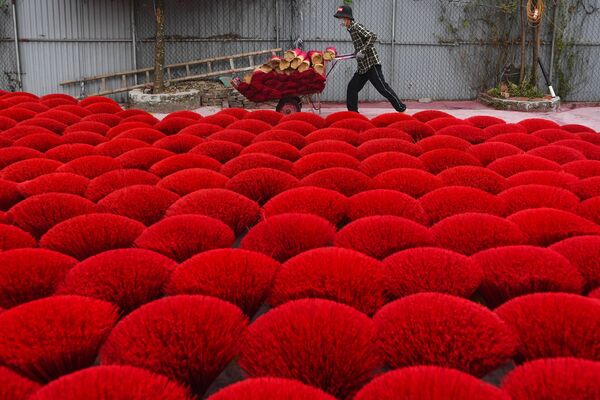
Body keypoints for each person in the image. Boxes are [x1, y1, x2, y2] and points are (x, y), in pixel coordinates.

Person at [334, 5, 407, 113]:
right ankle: (353, 114)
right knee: (352, 87)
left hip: (371, 64)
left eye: (341, 18)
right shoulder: (350, 29)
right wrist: (356, 52)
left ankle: (402, 109)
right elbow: (361, 44)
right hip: (363, 67)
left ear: (347, 18)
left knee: (383, 88)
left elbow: (372, 36)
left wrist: (362, 51)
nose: (340, 21)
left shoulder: (356, 27)